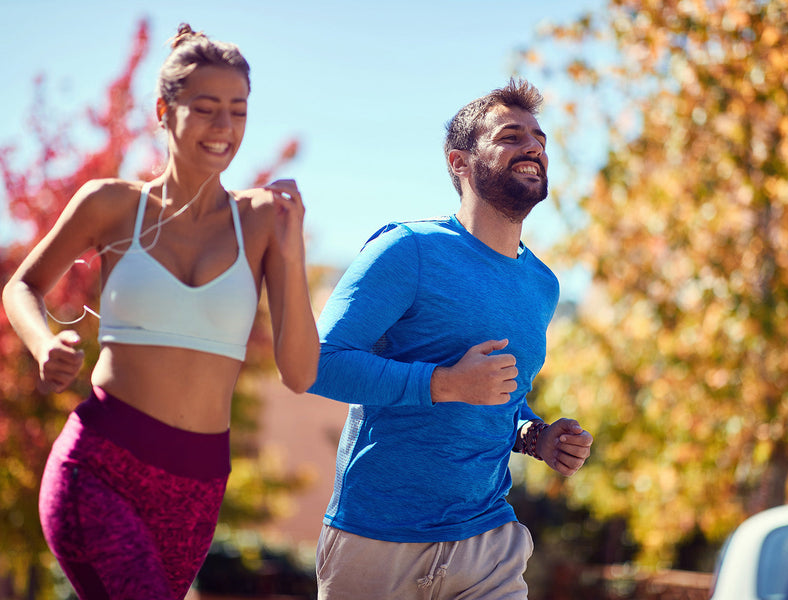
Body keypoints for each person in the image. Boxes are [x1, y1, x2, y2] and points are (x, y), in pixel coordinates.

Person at [1, 24, 319, 600]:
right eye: (204, 108)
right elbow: (23, 286)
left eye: (237, 111)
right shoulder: (111, 204)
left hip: (196, 489)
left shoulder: (265, 221)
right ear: (162, 110)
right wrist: (45, 346)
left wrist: (292, 252)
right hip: (98, 466)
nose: (223, 128)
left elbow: (299, 374)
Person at [308, 79, 593, 600]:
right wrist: (443, 383)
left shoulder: (542, 285)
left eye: (540, 138)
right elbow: (319, 363)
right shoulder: (407, 249)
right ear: (459, 163)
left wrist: (535, 436)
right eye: (511, 136)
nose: (534, 146)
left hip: (486, 541)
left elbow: (501, 399)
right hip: (378, 540)